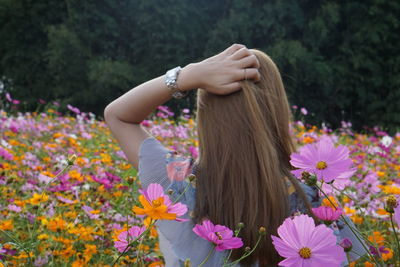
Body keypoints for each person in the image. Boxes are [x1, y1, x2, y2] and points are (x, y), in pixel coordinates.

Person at [104, 44, 364, 266]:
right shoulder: (312, 196)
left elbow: (118, 115)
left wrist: (189, 75)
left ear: (205, 117)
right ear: (278, 110)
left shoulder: (180, 182)